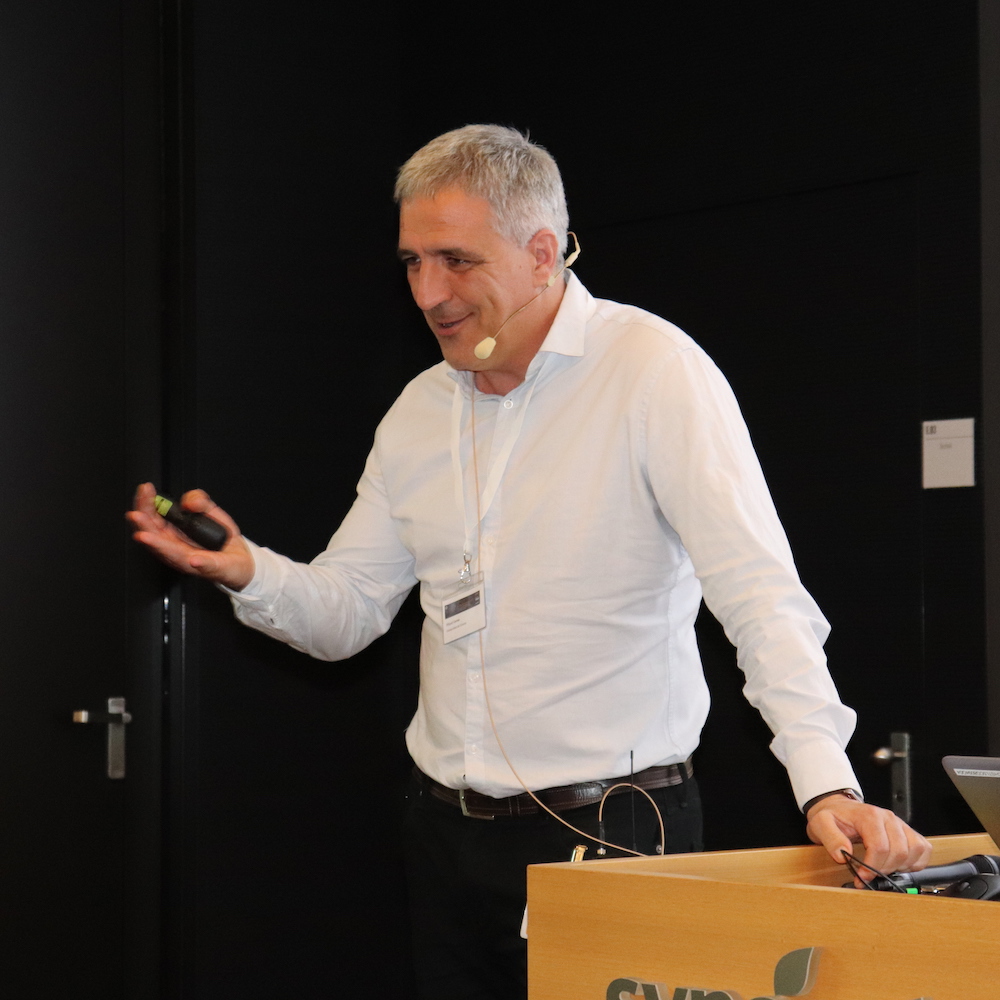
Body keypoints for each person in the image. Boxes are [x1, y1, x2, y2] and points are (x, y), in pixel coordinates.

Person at [129, 124, 931, 1000]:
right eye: (411, 262)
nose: (428, 292)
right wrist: (245, 569)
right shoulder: (418, 411)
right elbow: (349, 613)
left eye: (456, 260)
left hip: (616, 833)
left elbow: (760, 595)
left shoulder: (651, 371)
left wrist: (825, 785)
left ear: (543, 252)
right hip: (444, 835)